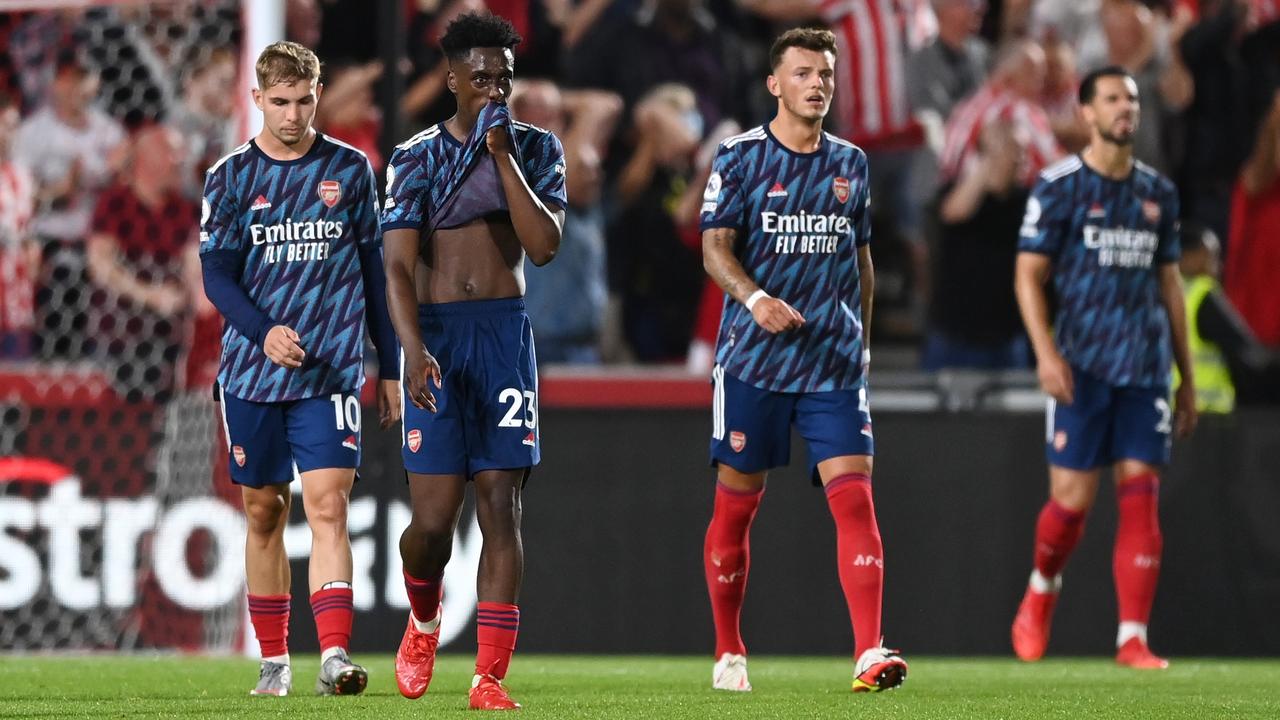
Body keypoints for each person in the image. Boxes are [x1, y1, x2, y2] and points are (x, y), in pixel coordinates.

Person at [699, 27, 907, 694]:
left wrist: (863, 345)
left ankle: (868, 652)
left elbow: (863, 262)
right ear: (774, 84)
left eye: (825, 73)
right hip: (753, 361)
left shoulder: (852, 164)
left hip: (831, 365)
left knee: (856, 503)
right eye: (803, 73)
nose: (818, 83)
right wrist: (755, 298)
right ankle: (729, 649)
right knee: (736, 508)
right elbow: (715, 249)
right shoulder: (739, 158)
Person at [198, 40, 400, 697]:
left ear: (318, 96)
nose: (292, 114)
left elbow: (375, 273)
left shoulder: (351, 170)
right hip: (253, 374)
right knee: (263, 512)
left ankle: (336, 657)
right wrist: (263, 333)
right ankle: (275, 662)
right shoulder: (230, 178)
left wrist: (390, 363)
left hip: (329, 371)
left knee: (328, 505)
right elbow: (217, 278)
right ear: (257, 99)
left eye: (304, 100)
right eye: (279, 101)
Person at [381, 12, 565, 711]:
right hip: (435, 334)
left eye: (503, 78)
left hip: (502, 337)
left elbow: (544, 247)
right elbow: (397, 267)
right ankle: (424, 619)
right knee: (431, 525)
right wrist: (411, 350)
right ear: (450, 77)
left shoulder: (538, 149)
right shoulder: (416, 156)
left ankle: (489, 677)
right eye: (479, 76)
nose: (492, 88)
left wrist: (503, 157)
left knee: (500, 502)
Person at [1011, 65, 1196, 670]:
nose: (1126, 109)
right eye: (1113, 99)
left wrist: (1186, 375)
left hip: (1144, 367)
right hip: (1082, 364)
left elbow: (1170, 285)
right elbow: (1028, 275)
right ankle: (1041, 588)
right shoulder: (1059, 186)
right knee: (1070, 505)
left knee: (1141, 495)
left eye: (1133, 100)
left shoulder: (1158, 194)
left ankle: (1132, 638)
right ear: (1087, 113)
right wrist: (1045, 353)